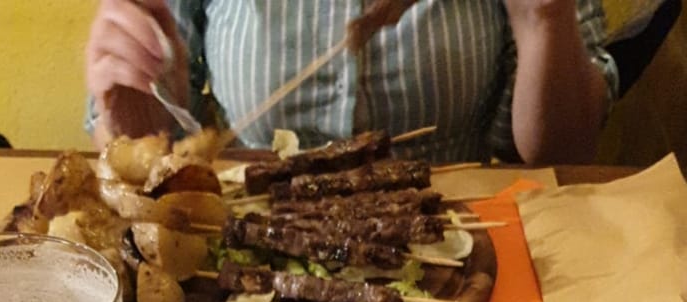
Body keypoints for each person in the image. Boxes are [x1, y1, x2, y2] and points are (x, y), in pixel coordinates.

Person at [85, 0, 619, 165]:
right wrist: (139, 125)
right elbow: (136, 145)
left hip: (469, 261)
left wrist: (544, 19)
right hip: (246, 247)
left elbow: (563, 153)